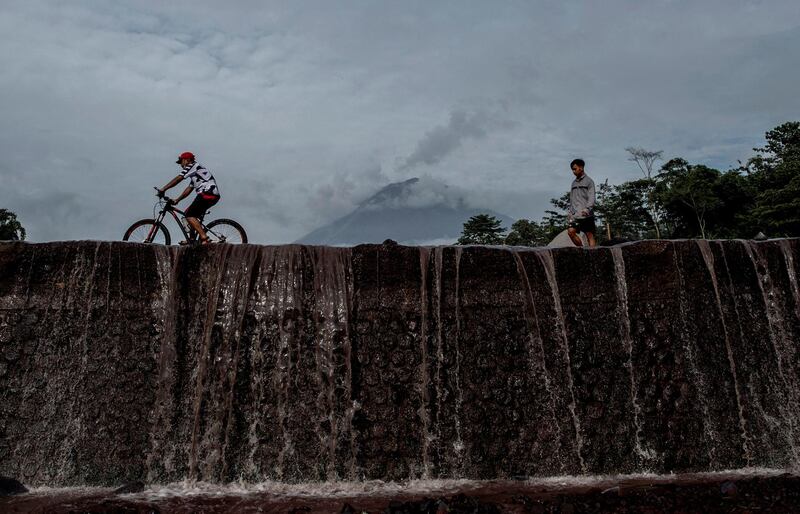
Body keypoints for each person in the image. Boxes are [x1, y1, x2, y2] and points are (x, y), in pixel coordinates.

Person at [157, 151, 221, 244]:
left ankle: (204, 238)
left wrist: (163, 189)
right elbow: (189, 189)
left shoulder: (193, 166)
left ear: (187, 160)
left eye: (181, 162)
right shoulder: (195, 173)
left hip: (208, 193)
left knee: (190, 215)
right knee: (188, 213)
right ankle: (192, 239)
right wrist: (177, 200)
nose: (181, 165)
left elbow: (179, 178)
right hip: (208, 194)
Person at [567, 158, 596, 248]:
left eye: (575, 169)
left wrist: (588, 208)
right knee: (570, 232)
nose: (573, 171)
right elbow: (572, 198)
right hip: (575, 214)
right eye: (572, 169)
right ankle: (582, 250)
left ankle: (593, 256)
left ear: (581, 168)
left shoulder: (589, 181)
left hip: (586, 214)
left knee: (589, 235)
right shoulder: (573, 183)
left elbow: (592, 197)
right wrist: (570, 212)